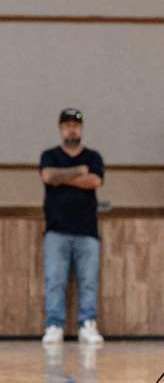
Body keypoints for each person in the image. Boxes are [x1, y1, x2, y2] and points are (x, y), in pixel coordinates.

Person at [39, 108, 105, 346]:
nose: (71, 129)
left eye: (75, 125)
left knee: (88, 281)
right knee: (55, 281)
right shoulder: (49, 155)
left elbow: (94, 180)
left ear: (81, 128)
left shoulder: (93, 157)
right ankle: (54, 326)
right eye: (67, 125)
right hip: (56, 231)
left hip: (87, 231)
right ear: (61, 129)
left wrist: (62, 178)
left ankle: (88, 325)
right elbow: (48, 176)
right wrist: (79, 172)